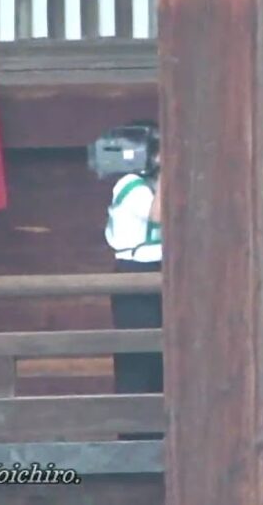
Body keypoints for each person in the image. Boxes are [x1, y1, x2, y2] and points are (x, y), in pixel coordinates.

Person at [104, 130, 163, 398]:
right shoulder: (129, 184)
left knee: (163, 355)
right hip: (135, 271)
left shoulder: (154, 183)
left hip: (162, 270)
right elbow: (158, 214)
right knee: (138, 354)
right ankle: (134, 431)